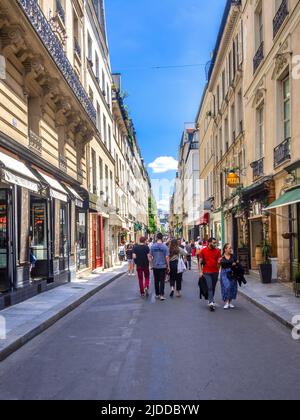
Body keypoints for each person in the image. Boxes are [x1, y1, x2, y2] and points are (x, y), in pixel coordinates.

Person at [199, 237, 222, 311]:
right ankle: (211, 302)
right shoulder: (203, 251)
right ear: (209, 243)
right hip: (206, 272)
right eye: (214, 243)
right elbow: (200, 262)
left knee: (213, 287)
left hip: (215, 272)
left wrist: (219, 264)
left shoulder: (218, 251)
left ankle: (210, 299)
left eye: (215, 243)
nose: (215, 244)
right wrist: (200, 271)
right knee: (209, 287)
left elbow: (219, 264)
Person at [150, 233, 170, 301]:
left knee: (156, 280)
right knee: (162, 280)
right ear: (162, 238)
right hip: (163, 266)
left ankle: (157, 294)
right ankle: (161, 295)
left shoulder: (153, 246)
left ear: (156, 238)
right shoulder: (165, 247)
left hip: (155, 266)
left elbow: (150, 256)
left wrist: (151, 264)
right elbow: (167, 257)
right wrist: (168, 266)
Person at [220, 244, 239, 309]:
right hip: (224, 273)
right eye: (229, 248)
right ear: (225, 249)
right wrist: (231, 263)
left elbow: (237, 262)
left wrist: (236, 263)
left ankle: (230, 302)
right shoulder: (222, 256)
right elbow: (221, 263)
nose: (231, 249)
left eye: (231, 248)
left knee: (232, 287)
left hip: (232, 272)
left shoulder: (233, 256)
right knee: (227, 286)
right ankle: (226, 302)